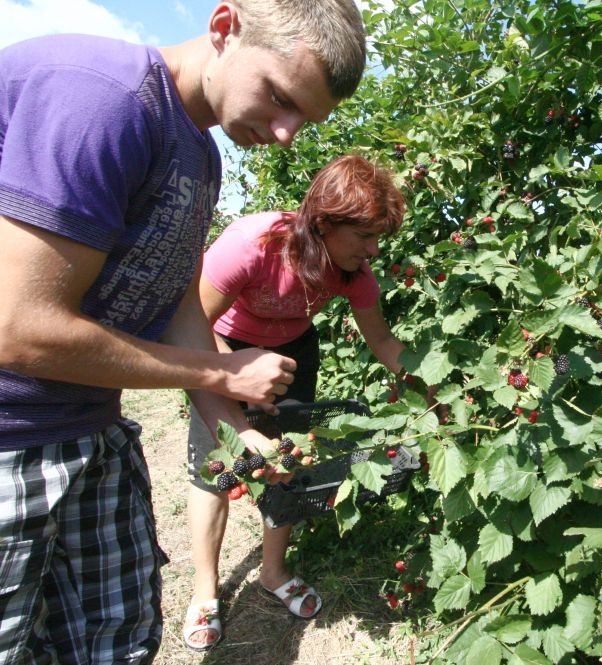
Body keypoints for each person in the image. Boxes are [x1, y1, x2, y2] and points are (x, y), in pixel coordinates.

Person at [0, 1, 366, 663]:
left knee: (116, 642)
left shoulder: (199, 158)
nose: (286, 133)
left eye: (304, 119)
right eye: (280, 97)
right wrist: (223, 372)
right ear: (224, 27)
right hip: (12, 441)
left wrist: (240, 430)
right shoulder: (104, 99)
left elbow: (174, 304)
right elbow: (21, 330)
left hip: (90, 426)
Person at [183, 153, 406, 649]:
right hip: (220, 346)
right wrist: (232, 379)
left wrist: (432, 386)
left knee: (286, 463)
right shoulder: (252, 245)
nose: (372, 250)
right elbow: (192, 320)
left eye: (377, 239)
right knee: (217, 469)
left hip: (293, 356)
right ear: (324, 222)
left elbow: (385, 344)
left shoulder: (354, 272)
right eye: (364, 236)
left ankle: (272, 571)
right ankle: (204, 593)